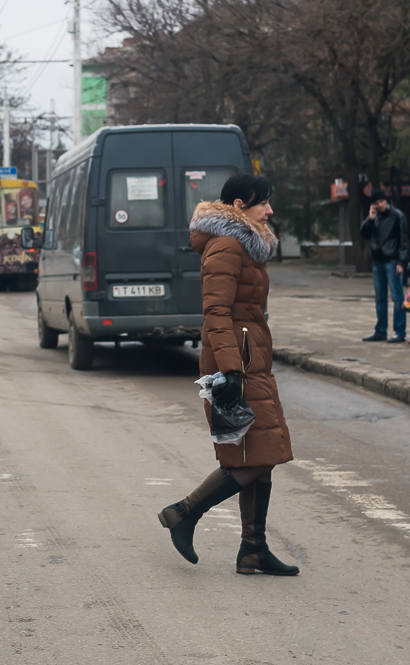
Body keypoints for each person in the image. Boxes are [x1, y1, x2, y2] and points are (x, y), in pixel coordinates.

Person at [158, 174, 299, 576]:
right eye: (263, 203)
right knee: (259, 454)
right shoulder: (226, 245)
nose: (269, 210)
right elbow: (216, 313)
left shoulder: (245, 246)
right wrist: (230, 368)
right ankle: (183, 513)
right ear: (239, 205)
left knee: (260, 454)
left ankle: (253, 550)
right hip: (237, 361)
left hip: (251, 358)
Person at [360, 189, 410, 343]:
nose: (379, 205)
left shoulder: (397, 216)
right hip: (377, 261)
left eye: (381, 202)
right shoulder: (374, 217)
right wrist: (370, 219)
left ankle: (399, 332)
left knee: (397, 297)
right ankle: (380, 331)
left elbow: (404, 240)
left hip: (392, 260)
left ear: (386, 200)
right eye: (375, 203)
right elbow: (364, 233)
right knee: (380, 298)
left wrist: (402, 262)